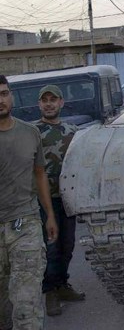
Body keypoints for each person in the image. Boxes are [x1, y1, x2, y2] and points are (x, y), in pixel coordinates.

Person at [0, 75, 58, 330]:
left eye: (3, 93)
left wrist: (50, 215)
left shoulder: (30, 132)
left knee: (26, 303)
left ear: (11, 96)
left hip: (25, 224)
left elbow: (39, 173)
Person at [34, 85, 84, 316]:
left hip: (67, 197)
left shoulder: (72, 131)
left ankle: (62, 285)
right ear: (39, 105)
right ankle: (50, 292)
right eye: (45, 100)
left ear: (61, 103)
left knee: (68, 245)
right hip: (44, 200)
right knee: (50, 249)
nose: (49, 104)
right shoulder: (33, 132)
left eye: (53, 99)